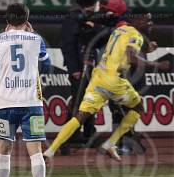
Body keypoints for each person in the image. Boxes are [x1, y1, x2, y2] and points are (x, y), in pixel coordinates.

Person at [44, 9, 158, 161]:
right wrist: (156, 64)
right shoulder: (136, 35)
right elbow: (131, 56)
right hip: (114, 80)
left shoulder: (121, 28)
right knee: (138, 108)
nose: (151, 24)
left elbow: (122, 47)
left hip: (98, 77)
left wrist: (146, 48)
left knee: (80, 116)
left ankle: (50, 150)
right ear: (137, 21)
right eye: (147, 20)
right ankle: (110, 143)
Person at [0, 3, 51, 177]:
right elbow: (46, 66)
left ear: (7, 21)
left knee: (4, 149)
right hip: (32, 103)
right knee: (36, 150)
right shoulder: (36, 39)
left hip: (5, 103)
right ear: (27, 20)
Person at [60, 0, 103, 149]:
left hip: (90, 66)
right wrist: (74, 69)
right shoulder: (73, 18)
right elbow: (68, 45)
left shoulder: (85, 17)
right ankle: (71, 135)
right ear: (91, 3)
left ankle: (88, 132)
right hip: (80, 68)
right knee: (78, 101)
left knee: (90, 100)